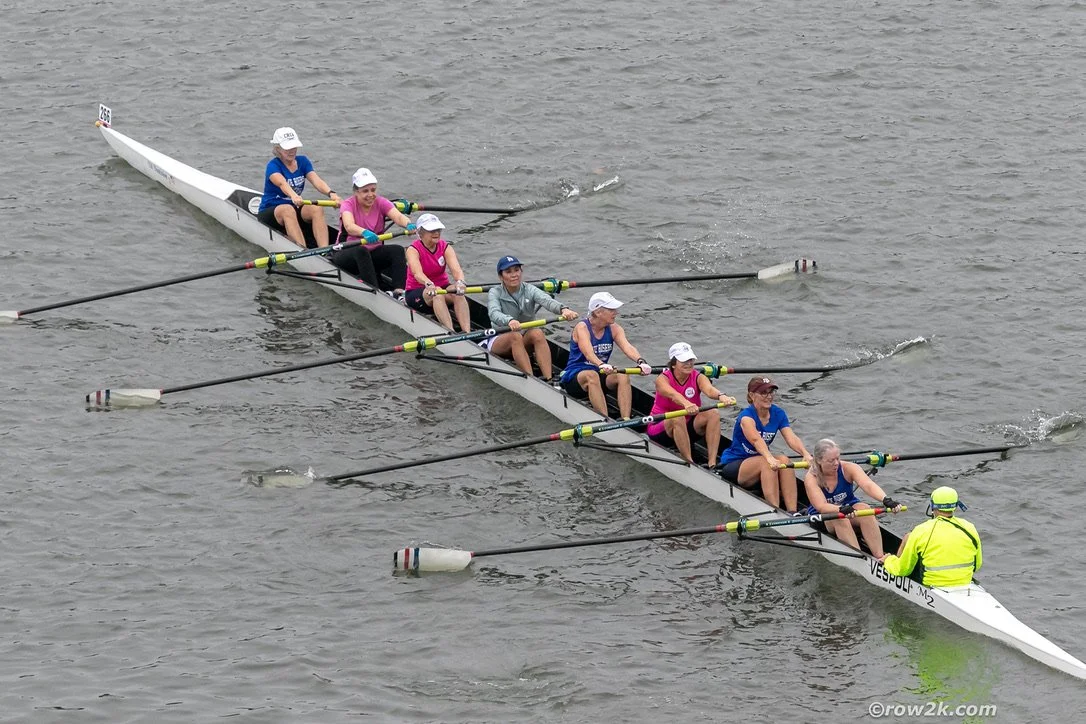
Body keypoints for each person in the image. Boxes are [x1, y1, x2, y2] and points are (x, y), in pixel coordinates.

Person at [718, 376, 812, 513]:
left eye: (771, 392)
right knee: (767, 463)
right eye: (763, 393)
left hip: (761, 461)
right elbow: (756, 440)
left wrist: (805, 454)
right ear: (751, 395)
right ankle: (775, 511)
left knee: (784, 460)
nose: (769, 397)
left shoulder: (778, 413)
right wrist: (769, 458)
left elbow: (791, 437)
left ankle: (793, 512)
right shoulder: (746, 417)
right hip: (735, 465)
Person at [803, 438, 903, 558]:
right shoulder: (811, 478)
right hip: (824, 518)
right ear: (819, 460)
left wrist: (886, 499)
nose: (836, 463)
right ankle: (859, 558)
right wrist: (840, 509)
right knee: (840, 518)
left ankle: (880, 557)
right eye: (831, 461)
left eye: (837, 458)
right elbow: (821, 506)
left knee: (865, 509)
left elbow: (868, 485)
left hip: (849, 510)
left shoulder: (848, 468)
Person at [559, 292, 652, 419]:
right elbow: (588, 353)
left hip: (599, 372)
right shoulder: (582, 328)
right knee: (591, 375)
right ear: (598, 312)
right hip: (575, 378)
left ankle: (626, 419)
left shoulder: (614, 328)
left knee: (622, 375)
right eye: (612, 309)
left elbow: (627, 347)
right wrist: (601, 364)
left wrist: (641, 361)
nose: (616, 312)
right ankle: (605, 420)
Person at [485, 255, 578, 383]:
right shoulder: (494, 292)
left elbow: (547, 301)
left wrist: (564, 309)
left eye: (516, 270)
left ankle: (549, 379)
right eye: (508, 272)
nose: (514, 275)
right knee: (515, 336)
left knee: (537, 333)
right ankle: (531, 380)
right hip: (500, 340)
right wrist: (509, 321)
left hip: (523, 339)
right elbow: (493, 313)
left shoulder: (530, 289)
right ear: (501, 277)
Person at [645, 342, 735, 466]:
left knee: (713, 414)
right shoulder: (662, 379)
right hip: (659, 428)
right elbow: (674, 395)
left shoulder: (698, 377)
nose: (689, 364)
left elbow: (709, 390)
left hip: (687, 427)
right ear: (674, 363)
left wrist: (722, 396)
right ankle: (689, 462)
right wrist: (686, 403)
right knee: (677, 416)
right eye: (684, 361)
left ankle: (712, 463)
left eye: (691, 360)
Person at [332, 167, 413, 296]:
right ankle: (375, 293)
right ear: (356, 192)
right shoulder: (348, 204)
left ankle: (400, 292)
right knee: (361, 250)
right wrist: (364, 232)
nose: (370, 195)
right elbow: (349, 226)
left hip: (372, 254)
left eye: (373, 190)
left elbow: (398, 217)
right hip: (346, 254)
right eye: (365, 191)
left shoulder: (381, 202)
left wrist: (408, 224)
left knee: (397, 250)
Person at [881, 486, 981, 587]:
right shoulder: (970, 527)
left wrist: (889, 560)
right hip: (965, 583)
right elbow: (977, 566)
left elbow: (902, 570)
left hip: (933, 586)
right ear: (955, 506)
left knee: (909, 538)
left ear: (932, 506)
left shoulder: (921, 531)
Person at [257, 127, 339, 249]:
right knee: (287, 210)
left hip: (293, 205)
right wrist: (293, 195)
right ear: (278, 149)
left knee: (316, 209)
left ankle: (324, 251)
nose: (292, 151)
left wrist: (332, 194)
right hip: (271, 211)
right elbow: (282, 183)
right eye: (287, 148)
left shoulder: (303, 161)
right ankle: (303, 252)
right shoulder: (273, 166)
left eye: (294, 147)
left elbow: (316, 181)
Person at [403, 213, 471, 332]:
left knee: (458, 293)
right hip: (417, 292)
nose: (436, 233)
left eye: (438, 229)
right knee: (437, 293)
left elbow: (456, 270)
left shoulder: (445, 247)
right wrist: (428, 284)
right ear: (420, 233)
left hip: (441, 287)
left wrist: (460, 282)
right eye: (432, 230)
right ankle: (451, 332)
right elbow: (418, 273)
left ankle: (467, 332)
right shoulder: (413, 250)